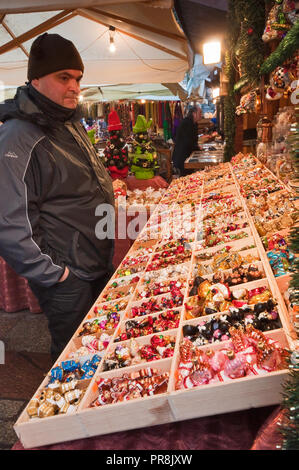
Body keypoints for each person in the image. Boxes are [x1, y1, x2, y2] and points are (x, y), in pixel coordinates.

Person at [0, 33, 115, 362]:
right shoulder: (17, 136)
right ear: (36, 78)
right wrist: (57, 274)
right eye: (63, 77)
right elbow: (9, 222)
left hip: (95, 262)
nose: (75, 87)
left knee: (101, 349)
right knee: (73, 359)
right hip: (68, 276)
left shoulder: (69, 123)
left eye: (77, 78)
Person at [172, 105, 202, 175]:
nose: (201, 115)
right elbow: (187, 141)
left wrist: (197, 147)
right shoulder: (186, 123)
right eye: (200, 113)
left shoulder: (194, 123)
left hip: (188, 156)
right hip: (182, 156)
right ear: (194, 114)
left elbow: (193, 140)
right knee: (185, 176)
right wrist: (197, 148)